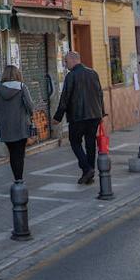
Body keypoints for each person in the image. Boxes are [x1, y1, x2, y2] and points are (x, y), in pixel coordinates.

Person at [53, 50, 105, 185]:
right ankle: (89, 172)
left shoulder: (71, 76)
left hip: (78, 116)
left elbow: (65, 98)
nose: (65, 64)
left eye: (66, 61)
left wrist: (57, 117)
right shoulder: (93, 73)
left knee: (75, 142)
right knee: (90, 144)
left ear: (73, 60)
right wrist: (101, 113)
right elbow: (100, 94)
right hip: (94, 115)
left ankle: (87, 169)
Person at [0, 65, 34, 181]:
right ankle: (19, 179)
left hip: (6, 129)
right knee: (20, 154)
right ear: (18, 74)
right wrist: (31, 114)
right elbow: (30, 105)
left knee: (13, 154)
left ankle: (17, 178)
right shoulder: (22, 87)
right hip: (21, 127)